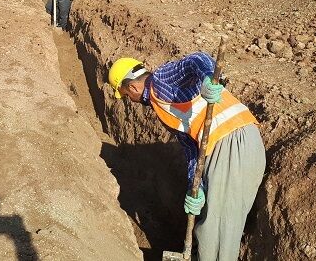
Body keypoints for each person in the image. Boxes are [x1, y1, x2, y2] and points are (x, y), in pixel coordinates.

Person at [108, 53, 265, 261]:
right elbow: (191, 148)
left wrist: (209, 77)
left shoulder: (161, 79)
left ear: (132, 87)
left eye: (126, 95)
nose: (130, 100)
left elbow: (196, 60)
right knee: (227, 225)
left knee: (214, 232)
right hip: (245, 142)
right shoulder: (161, 104)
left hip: (229, 142)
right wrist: (196, 187)